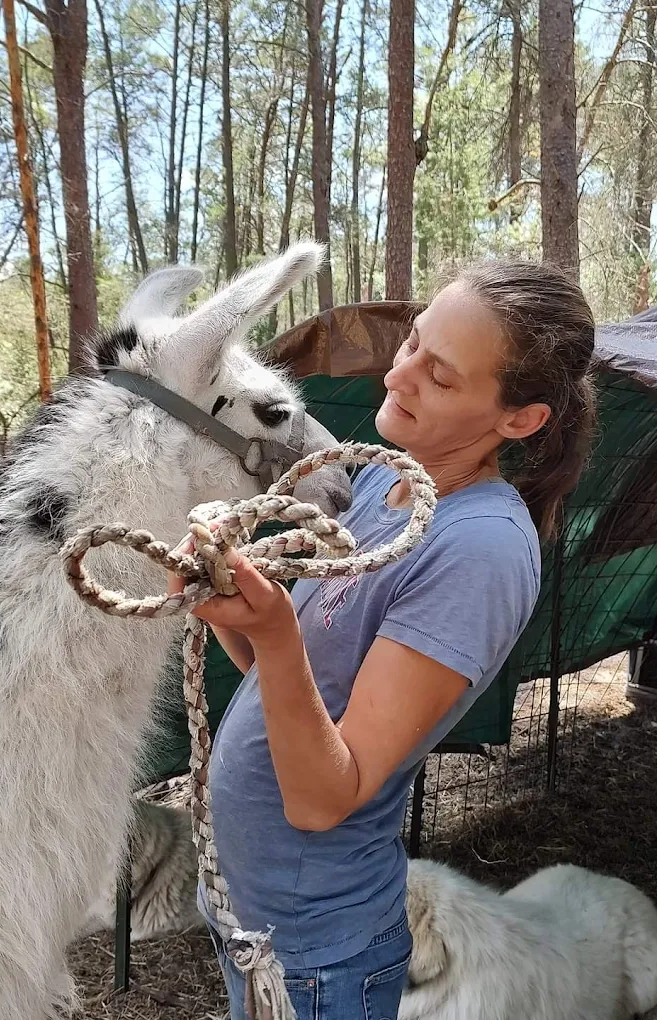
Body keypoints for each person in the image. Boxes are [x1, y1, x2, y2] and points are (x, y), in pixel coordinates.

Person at [170, 259, 597, 1020]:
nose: (398, 378)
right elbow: (297, 681)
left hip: (315, 952)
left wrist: (272, 634)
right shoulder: (378, 483)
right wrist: (232, 604)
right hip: (252, 916)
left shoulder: (478, 549)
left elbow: (324, 799)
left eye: (439, 375)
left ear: (519, 418)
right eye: (411, 346)